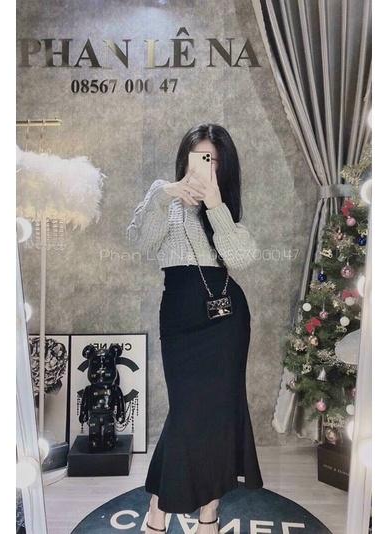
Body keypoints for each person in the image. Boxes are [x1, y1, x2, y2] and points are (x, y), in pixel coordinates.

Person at [126, 123, 263, 533]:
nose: (205, 167)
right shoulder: (164, 197)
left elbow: (241, 257)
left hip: (225, 319)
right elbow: (141, 242)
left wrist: (216, 206)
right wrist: (164, 194)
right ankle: (161, 505)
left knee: (218, 413)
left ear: (224, 166)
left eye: (213, 160)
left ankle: (207, 513)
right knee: (186, 413)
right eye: (200, 157)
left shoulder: (223, 205)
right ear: (185, 158)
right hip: (181, 315)